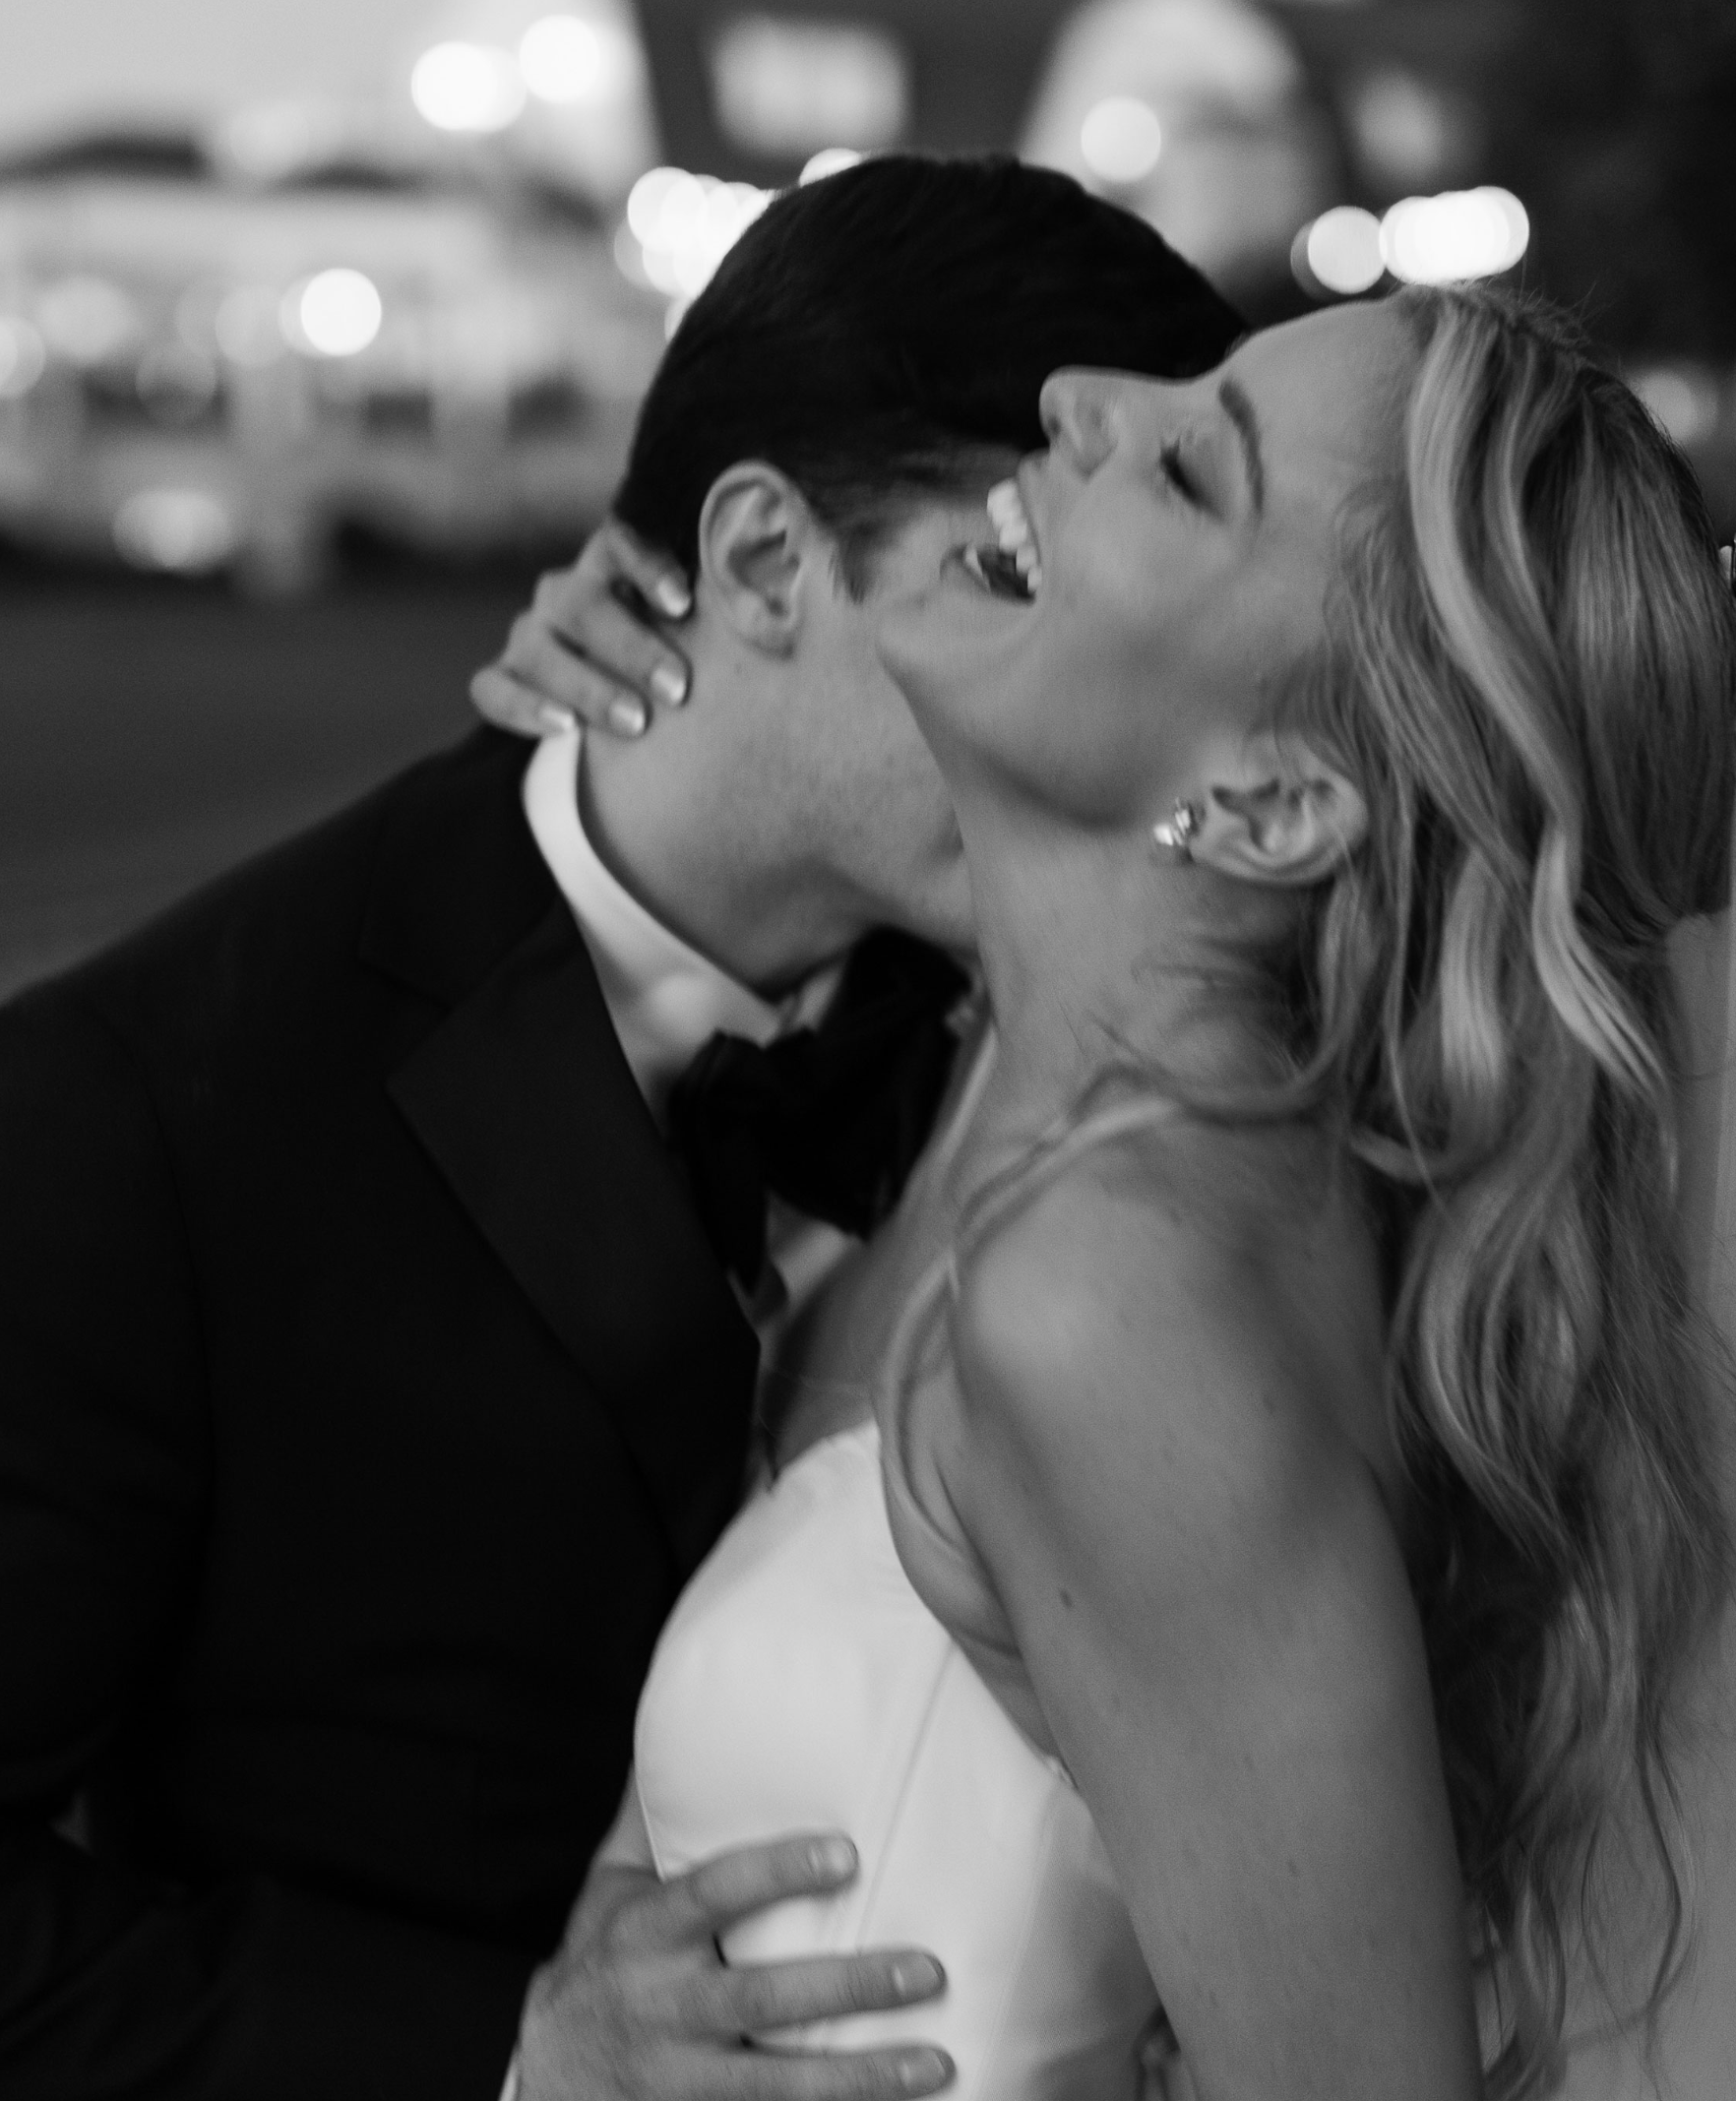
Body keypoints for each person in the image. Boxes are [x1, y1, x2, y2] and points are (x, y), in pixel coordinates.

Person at [0, 156, 1245, 2101]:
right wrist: (501, 2055)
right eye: (1009, 580)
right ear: (759, 566)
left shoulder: (1070, 988)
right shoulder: (132, 1108)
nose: (1096, 696)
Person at [479, 284, 1736, 2098]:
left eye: (1191, 469)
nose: (1070, 394)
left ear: (1268, 808)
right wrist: (671, 656)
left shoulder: (1118, 1289)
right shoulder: (1101, 1109)